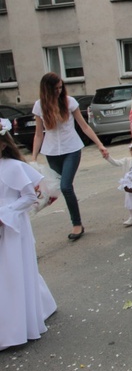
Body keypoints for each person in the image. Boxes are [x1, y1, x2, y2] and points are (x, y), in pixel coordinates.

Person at [0, 119, 57, 351]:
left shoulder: (12, 167)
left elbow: (30, 197)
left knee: (13, 271)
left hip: (12, 225)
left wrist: (6, 213)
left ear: (3, 145)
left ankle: (15, 327)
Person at [31, 73, 108, 241]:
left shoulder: (69, 102)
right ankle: (71, 212)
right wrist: (33, 158)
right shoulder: (39, 106)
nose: (59, 91)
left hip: (72, 149)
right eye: (55, 88)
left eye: (60, 87)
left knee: (66, 186)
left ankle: (77, 224)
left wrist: (100, 145)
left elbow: (84, 126)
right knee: (59, 188)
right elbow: (38, 134)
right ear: (47, 89)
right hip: (51, 152)